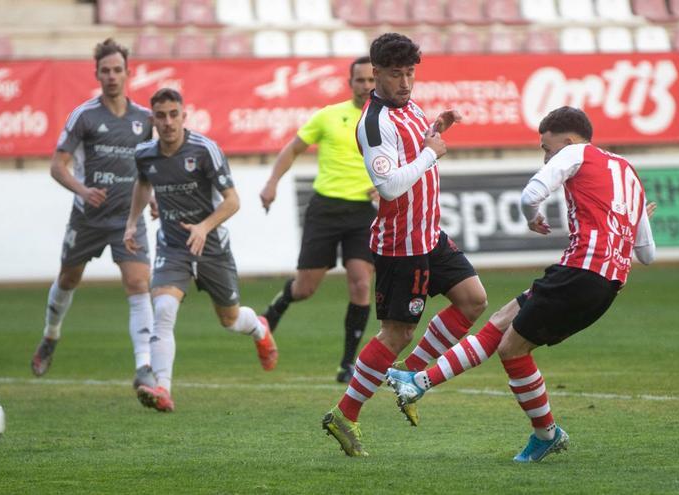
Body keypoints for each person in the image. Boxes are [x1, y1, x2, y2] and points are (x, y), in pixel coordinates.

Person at [386, 106, 657, 462]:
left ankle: (545, 433)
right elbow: (647, 253)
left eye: (547, 148)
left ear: (569, 140)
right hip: (600, 281)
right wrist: (633, 219)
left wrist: (533, 218)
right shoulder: (629, 172)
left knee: (512, 348)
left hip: (581, 272)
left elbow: (530, 195)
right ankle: (418, 381)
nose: (546, 156)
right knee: (500, 322)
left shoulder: (577, 152)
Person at [321, 33, 488, 457]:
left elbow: (414, 149)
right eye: (396, 74)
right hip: (402, 245)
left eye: (411, 73)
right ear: (375, 74)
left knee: (472, 300)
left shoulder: (410, 106)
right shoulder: (374, 123)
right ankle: (346, 413)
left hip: (429, 234)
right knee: (397, 332)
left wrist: (435, 130)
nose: (406, 82)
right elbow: (390, 186)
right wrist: (432, 153)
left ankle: (408, 375)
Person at [123, 88, 278, 412]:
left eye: (173, 115)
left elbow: (233, 201)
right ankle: (162, 389)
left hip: (212, 248)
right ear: (153, 119)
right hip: (173, 247)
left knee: (230, 320)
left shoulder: (205, 150)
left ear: (183, 115)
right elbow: (143, 184)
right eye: (161, 116)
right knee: (163, 309)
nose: (167, 122)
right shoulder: (145, 155)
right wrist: (132, 222)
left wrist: (203, 227)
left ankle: (258, 327)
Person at [30, 39, 161, 409]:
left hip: (127, 220)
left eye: (117, 69)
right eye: (105, 70)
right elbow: (58, 165)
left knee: (138, 284)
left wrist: (151, 199)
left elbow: (148, 169)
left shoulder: (143, 121)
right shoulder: (84, 116)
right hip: (88, 218)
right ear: (97, 74)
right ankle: (51, 336)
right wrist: (82, 190)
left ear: (128, 72)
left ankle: (144, 368)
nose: (112, 76)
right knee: (68, 279)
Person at [259, 56, 376, 384]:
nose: (366, 86)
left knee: (361, 282)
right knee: (305, 288)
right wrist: (271, 183)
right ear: (350, 82)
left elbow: (404, 160)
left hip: (362, 213)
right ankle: (277, 307)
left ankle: (347, 364)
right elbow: (293, 149)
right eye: (360, 80)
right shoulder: (328, 116)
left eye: (371, 80)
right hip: (325, 208)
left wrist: (386, 188)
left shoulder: (386, 120)